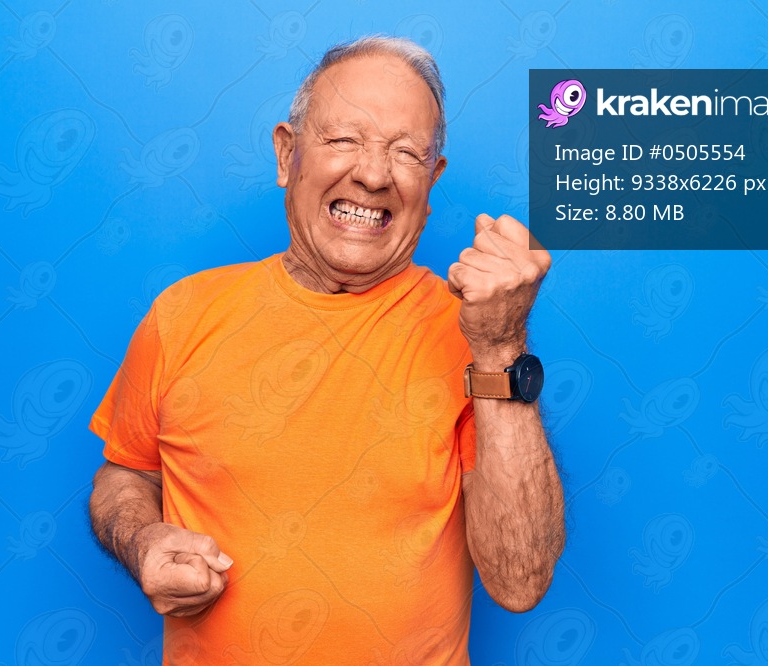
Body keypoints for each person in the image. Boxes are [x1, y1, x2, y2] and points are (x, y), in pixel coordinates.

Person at [89, 35, 564, 665]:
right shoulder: (183, 315)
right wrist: (143, 539)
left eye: (406, 153)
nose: (372, 174)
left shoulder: (470, 336)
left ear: (431, 181)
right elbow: (126, 472)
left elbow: (520, 579)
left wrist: (501, 346)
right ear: (287, 155)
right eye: (344, 140)